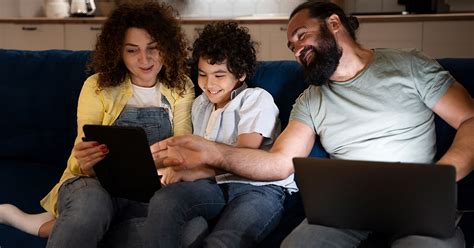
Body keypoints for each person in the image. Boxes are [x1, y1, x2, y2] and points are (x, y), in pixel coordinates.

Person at [153, 1, 474, 248]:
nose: (296, 50)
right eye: (291, 46)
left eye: (301, 36)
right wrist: (213, 153)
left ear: (334, 23)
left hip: (419, 203)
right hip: (347, 209)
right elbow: (278, 163)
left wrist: (442, 177)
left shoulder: (409, 66)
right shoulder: (311, 99)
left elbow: (470, 119)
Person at [0, 1, 194, 246]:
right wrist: (87, 161)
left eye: (153, 48)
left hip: (151, 189)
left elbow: (183, 145)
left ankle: (51, 225)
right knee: (90, 209)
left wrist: (170, 169)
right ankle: (76, 222)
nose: (145, 59)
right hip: (93, 182)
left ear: (167, 46)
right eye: (132, 50)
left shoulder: (182, 86)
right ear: (119, 52)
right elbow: (81, 150)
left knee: (191, 231)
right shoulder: (97, 85)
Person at [143, 21, 294, 247]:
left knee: (222, 241)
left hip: (258, 188)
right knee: (166, 201)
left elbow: (244, 155)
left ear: (241, 73)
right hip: (215, 185)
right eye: (203, 74)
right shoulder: (200, 105)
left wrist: (196, 172)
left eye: (219, 75)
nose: (209, 84)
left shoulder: (255, 99)